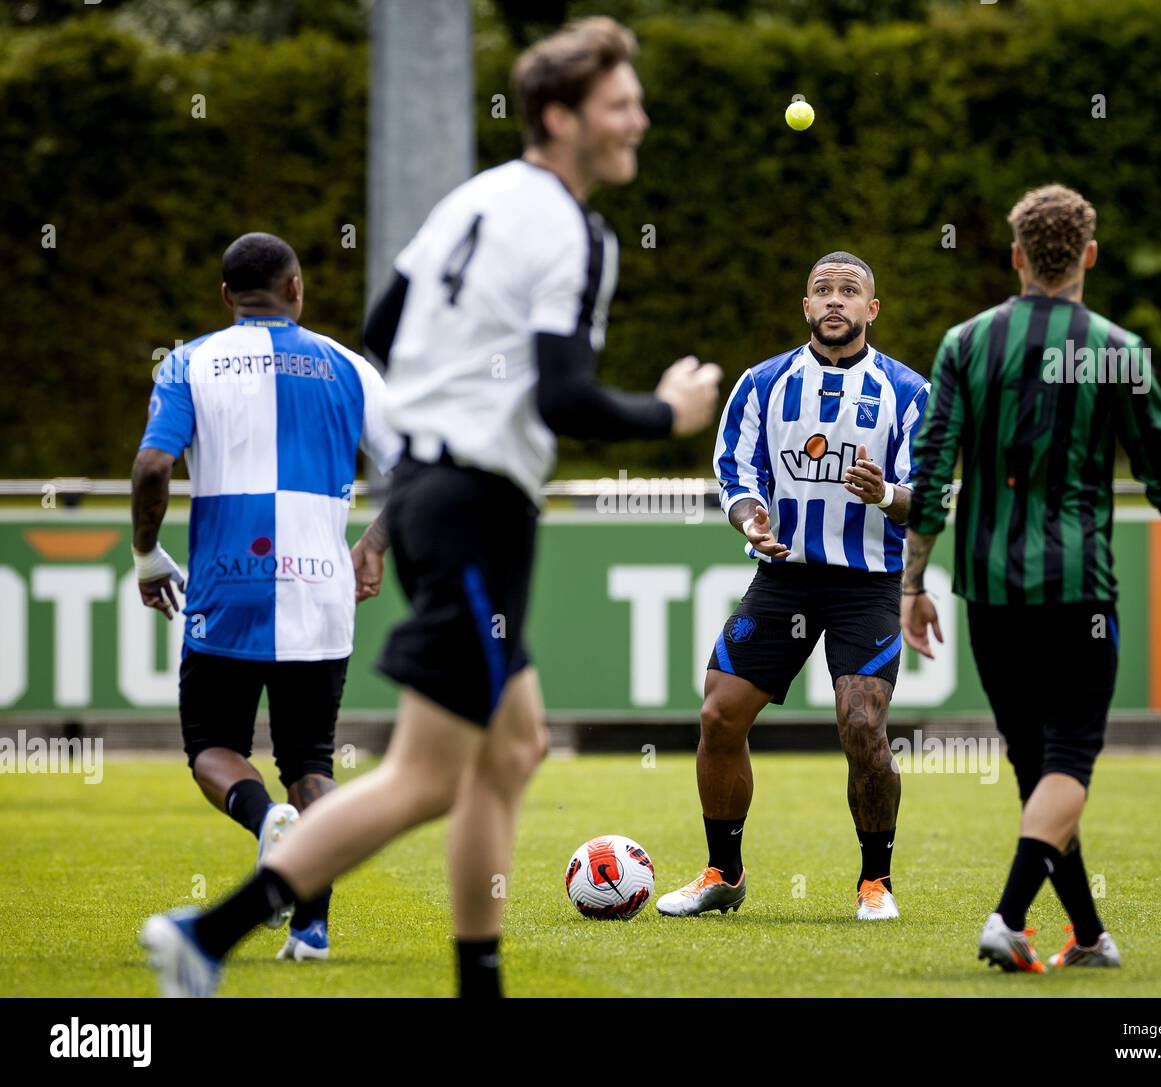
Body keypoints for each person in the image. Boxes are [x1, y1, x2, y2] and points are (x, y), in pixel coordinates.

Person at [141, 16, 721, 998]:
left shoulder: (477, 197)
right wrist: (667, 411)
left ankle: (476, 979)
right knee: (425, 774)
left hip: (439, 495)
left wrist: (433, 424)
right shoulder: (573, 229)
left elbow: (382, 326)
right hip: (474, 506)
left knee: (515, 748)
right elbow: (563, 395)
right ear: (559, 114)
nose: (640, 119)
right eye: (620, 103)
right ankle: (209, 930)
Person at [902, 184, 1161, 971]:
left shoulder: (964, 343)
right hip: (1079, 593)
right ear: (1088, 254)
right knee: (1068, 764)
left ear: (1017, 255)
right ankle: (1009, 916)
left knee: (1039, 769)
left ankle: (1088, 936)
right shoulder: (1116, 349)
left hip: (989, 593)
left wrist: (911, 583)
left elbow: (932, 471)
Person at [131, 231, 402, 962]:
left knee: (213, 746)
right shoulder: (349, 367)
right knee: (311, 758)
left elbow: (154, 465)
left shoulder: (190, 361)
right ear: (297, 288)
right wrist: (371, 546)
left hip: (227, 588)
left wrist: (147, 552)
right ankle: (312, 929)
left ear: (226, 297)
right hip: (321, 592)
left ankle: (263, 820)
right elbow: (419, 470)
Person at [656, 251, 928, 922]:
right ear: (806, 307)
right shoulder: (763, 383)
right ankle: (724, 871)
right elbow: (735, 470)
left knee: (862, 724)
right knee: (719, 716)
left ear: (872, 309)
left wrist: (888, 493)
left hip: (867, 582)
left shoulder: (909, 393)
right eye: (822, 290)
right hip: (784, 577)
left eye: (850, 290)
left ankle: (876, 881)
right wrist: (751, 518)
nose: (835, 300)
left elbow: (937, 493)